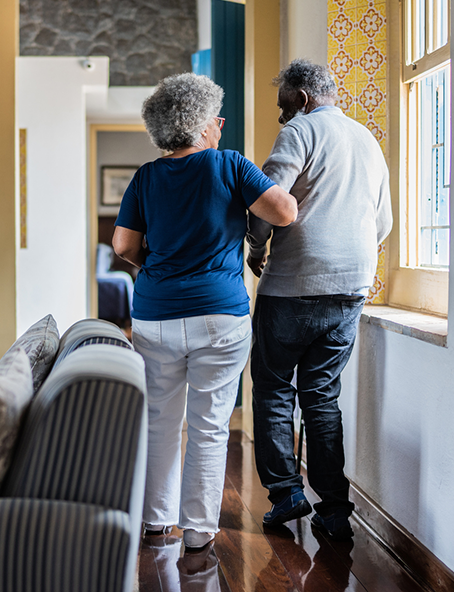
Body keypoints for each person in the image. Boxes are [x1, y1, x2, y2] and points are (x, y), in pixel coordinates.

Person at [113, 73, 297, 551]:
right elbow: (284, 212)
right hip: (220, 314)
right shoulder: (230, 165)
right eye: (215, 117)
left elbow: (123, 245)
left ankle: (155, 522)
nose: (221, 124)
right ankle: (197, 531)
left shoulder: (146, 176)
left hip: (155, 314)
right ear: (199, 125)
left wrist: (156, 268)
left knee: (161, 419)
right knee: (210, 425)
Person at [247, 59, 392, 540]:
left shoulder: (301, 132)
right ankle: (333, 511)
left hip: (293, 285)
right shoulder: (367, 140)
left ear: (303, 99)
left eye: (283, 106)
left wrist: (256, 244)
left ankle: (287, 492)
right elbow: (384, 224)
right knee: (321, 398)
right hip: (350, 289)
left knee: (271, 390)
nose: (282, 117)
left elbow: (270, 201)